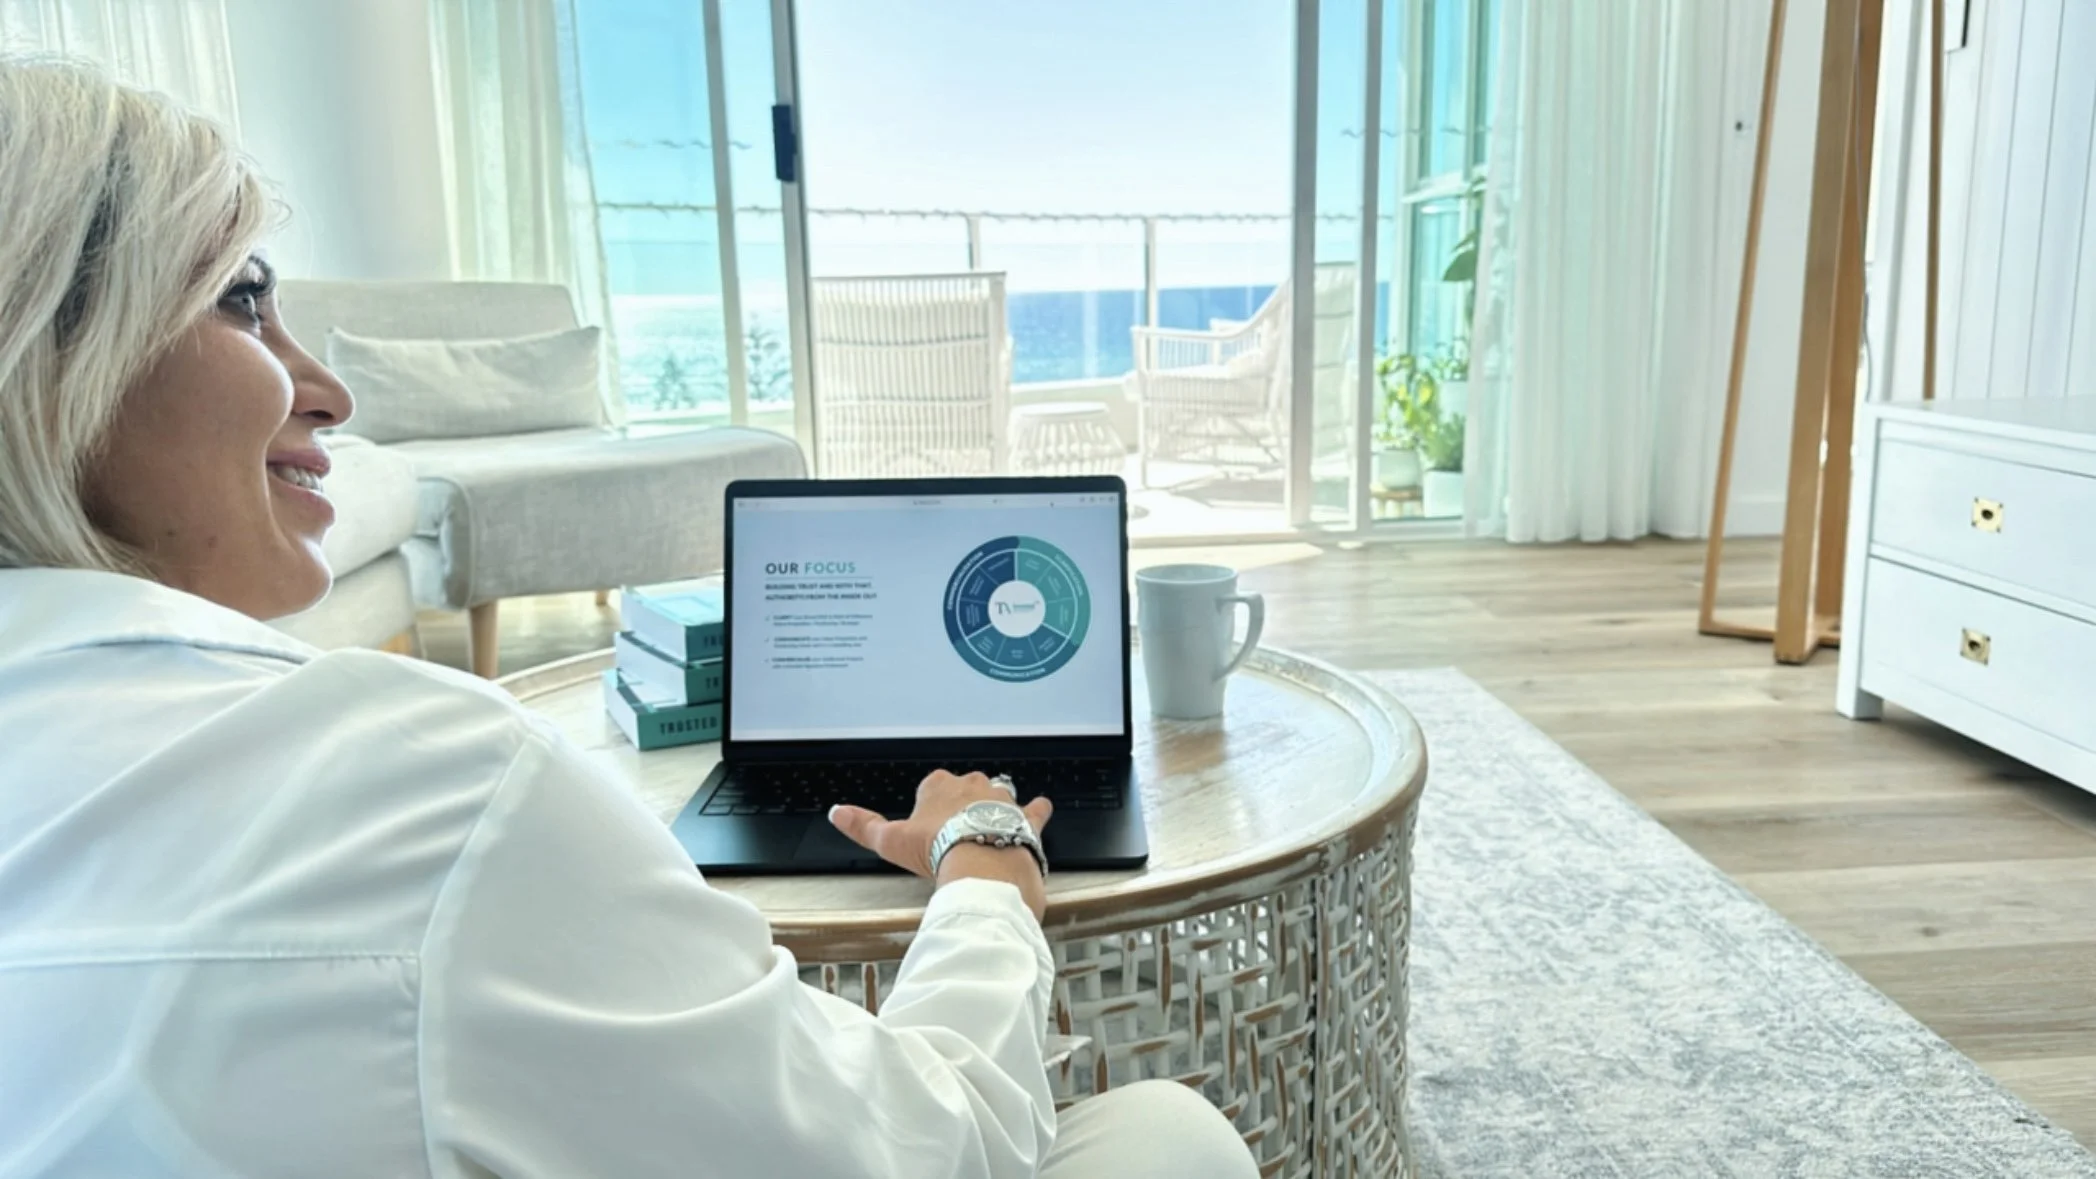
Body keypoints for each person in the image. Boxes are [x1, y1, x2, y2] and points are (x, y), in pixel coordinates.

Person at [0, 58, 1258, 1179]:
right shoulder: (412, 788)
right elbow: (928, 1147)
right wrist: (986, 869)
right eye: (240, 299)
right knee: (1167, 1130)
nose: (326, 390)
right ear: (50, 357)